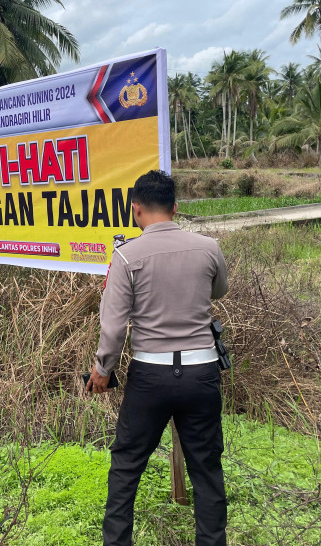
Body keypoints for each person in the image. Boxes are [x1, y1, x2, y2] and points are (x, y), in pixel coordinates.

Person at [86, 170, 229, 546]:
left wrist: (103, 370)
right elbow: (220, 290)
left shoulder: (126, 256)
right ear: (175, 208)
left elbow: (114, 329)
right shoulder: (209, 248)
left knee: (127, 467)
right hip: (202, 372)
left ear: (135, 209)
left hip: (150, 376)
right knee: (207, 469)